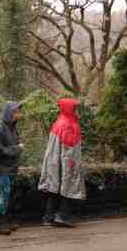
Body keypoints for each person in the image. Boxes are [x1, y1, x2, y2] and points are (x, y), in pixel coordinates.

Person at [38, 98, 86, 228]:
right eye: (75, 108)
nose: (76, 111)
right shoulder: (68, 124)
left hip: (54, 161)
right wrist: (70, 166)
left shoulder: (60, 121)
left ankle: (48, 217)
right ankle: (62, 216)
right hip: (65, 162)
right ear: (70, 109)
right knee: (66, 187)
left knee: (54, 188)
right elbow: (69, 149)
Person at [0, 101, 24, 235]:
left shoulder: (12, 127)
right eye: (16, 111)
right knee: (4, 194)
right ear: (10, 113)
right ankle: (0, 223)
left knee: (8, 194)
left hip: (12, 168)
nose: (19, 114)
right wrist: (17, 148)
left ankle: (7, 219)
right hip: (2, 168)